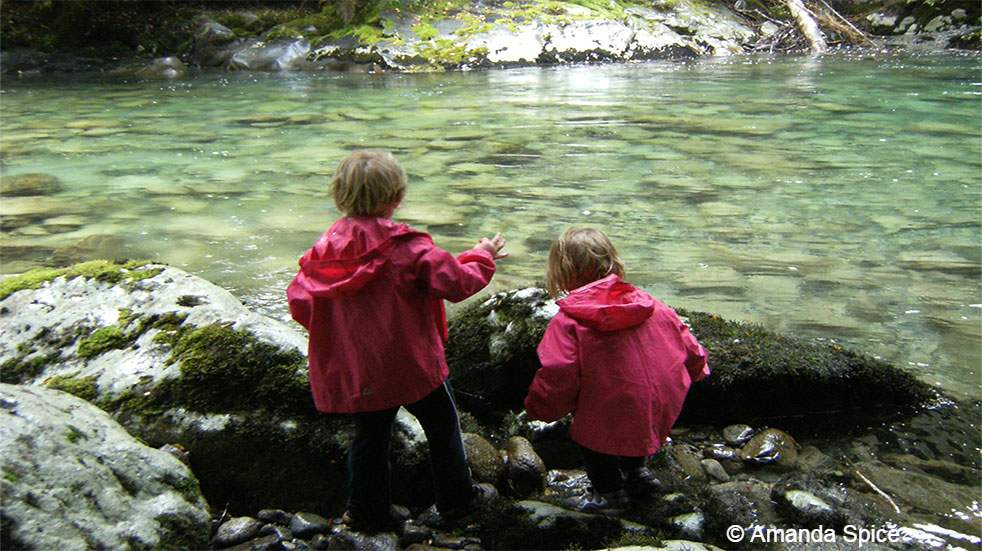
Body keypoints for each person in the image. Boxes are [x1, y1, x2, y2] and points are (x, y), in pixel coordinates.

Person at [287, 150, 507, 531]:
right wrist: (482, 256)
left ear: (339, 196)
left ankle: (367, 512)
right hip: (414, 365)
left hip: (362, 371)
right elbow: (455, 282)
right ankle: (458, 502)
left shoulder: (324, 250)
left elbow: (301, 302)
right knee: (443, 426)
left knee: (369, 439)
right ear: (397, 198)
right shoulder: (408, 248)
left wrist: (342, 335)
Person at [524, 227, 709, 512]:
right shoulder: (652, 305)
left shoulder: (570, 322)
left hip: (611, 410)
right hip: (658, 404)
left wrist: (540, 407)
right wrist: (698, 370)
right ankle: (636, 472)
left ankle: (608, 493)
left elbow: (560, 372)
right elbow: (688, 343)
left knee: (591, 434)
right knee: (628, 415)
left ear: (562, 272)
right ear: (612, 262)